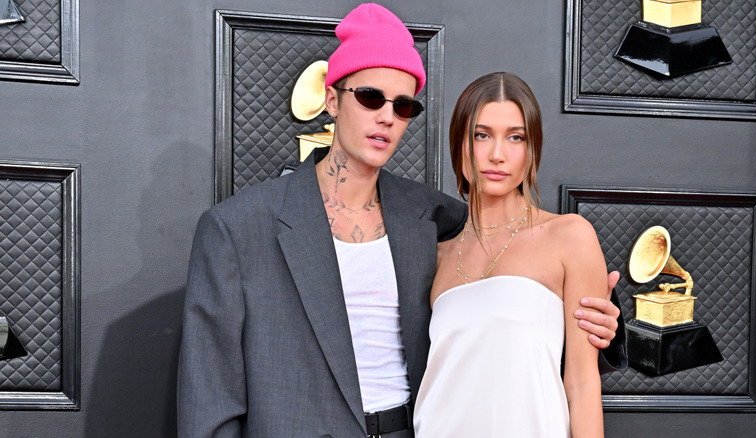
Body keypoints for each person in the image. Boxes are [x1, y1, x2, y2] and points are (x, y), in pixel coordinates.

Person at [178, 4, 624, 437]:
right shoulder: (238, 228)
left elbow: (511, 309)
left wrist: (604, 321)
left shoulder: (436, 219)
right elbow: (209, 404)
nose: (387, 117)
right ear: (332, 99)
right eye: (370, 97)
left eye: (404, 106)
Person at [414, 72, 609, 437]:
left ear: (532, 149)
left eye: (515, 137)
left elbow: (582, 384)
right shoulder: (435, 255)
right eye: (481, 135)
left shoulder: (569, 237)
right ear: (459, 143)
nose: (497, 154)